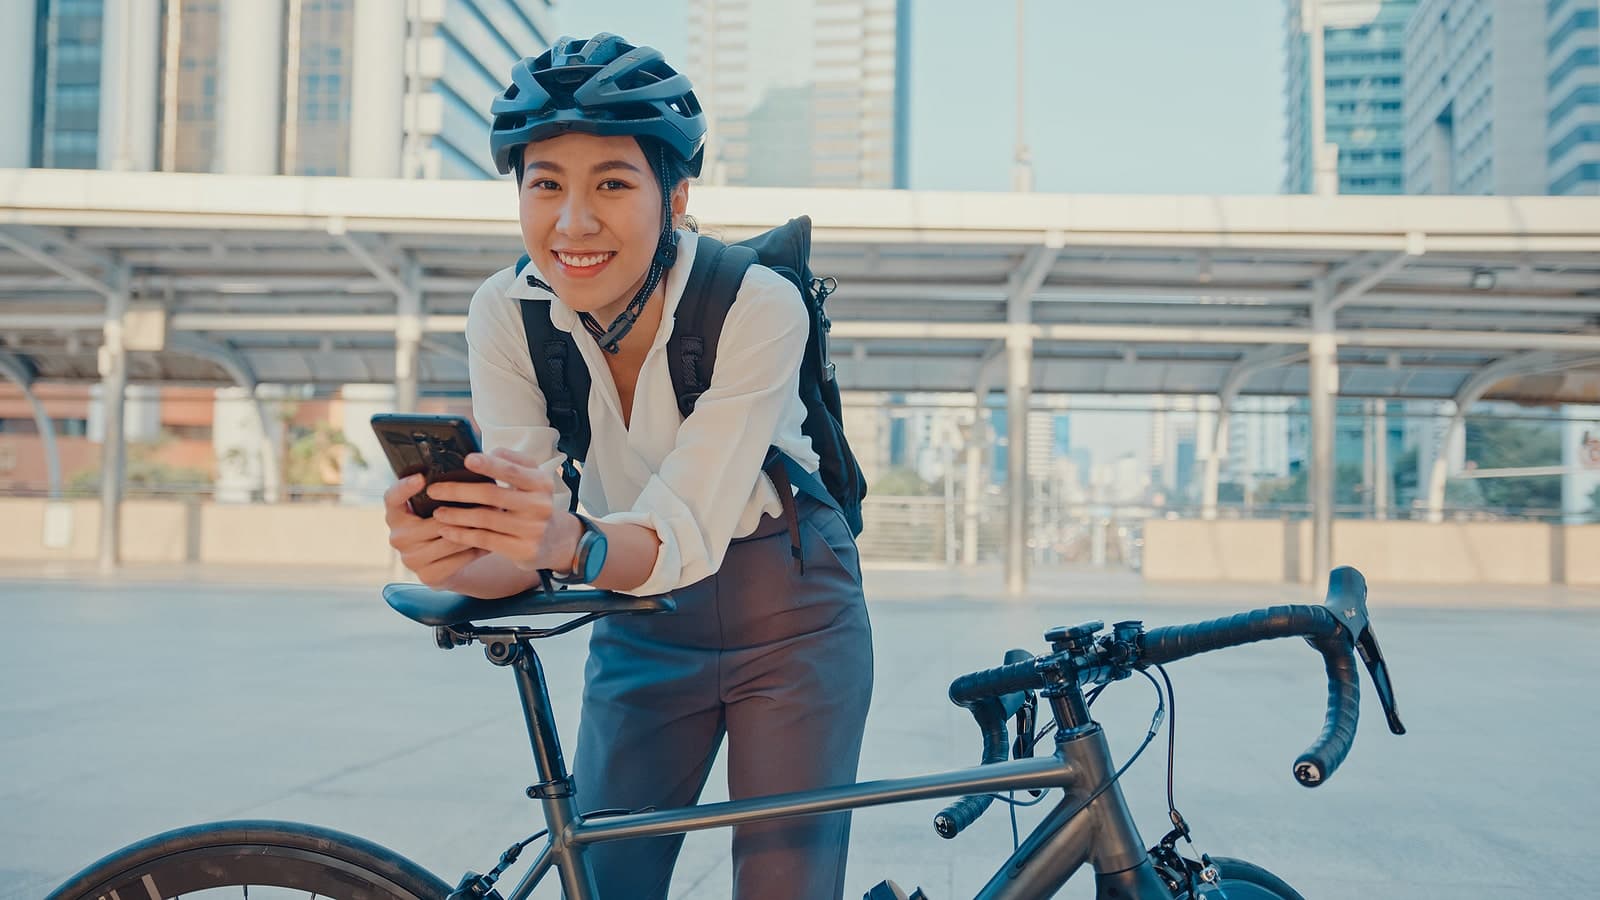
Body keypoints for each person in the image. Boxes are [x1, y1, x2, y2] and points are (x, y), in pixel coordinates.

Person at [381, 33, 873, 900]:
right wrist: (455, 551)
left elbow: (673, 526)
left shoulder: (756, 304)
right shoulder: (508, 313)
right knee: (603, 882)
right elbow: (532, 538)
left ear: (675, 197)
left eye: (611, 182)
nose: (572, 223)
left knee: (782, 887)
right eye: (546, 186)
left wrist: (564, 541)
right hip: (639, 619)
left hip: (790, 610)